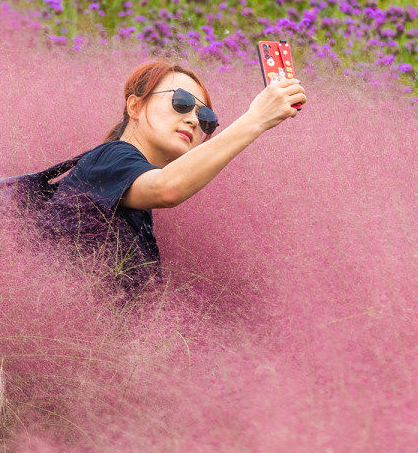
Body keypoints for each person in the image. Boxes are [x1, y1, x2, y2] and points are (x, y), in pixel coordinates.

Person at [30, 57, 307, 301]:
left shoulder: (134, 199)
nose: (194, 121)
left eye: (206, 118)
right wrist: (256, 118)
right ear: (134, 106)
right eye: (181, 102)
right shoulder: (110, 157)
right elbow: (168, 188)